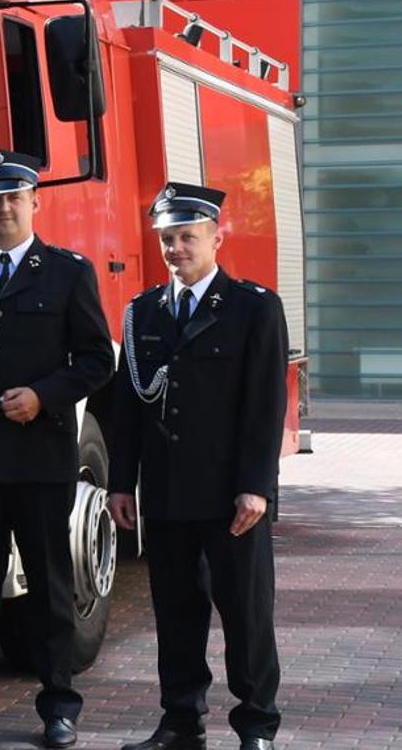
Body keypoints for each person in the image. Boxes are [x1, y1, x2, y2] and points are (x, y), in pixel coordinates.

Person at [0, 150, 114, 748]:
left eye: (14, 197)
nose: (4, 207)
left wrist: (44, 396)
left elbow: (96, 360)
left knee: (52, 587)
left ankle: (59, 707)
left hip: (40, 458)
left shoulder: (67, 272)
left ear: (35, 202)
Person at [100, 183, 287, 750]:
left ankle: (256, 725)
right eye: (167, 239)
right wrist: (119, 483)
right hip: (168, 491)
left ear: (215, 237)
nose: (176, 248)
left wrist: (256, 487)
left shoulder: (254, 306)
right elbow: (127, 406)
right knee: (177, 616)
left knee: (246, 614)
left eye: (187, 236)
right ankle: (181, 720)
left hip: (232, 496)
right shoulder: (143, 311)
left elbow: (265, 405)